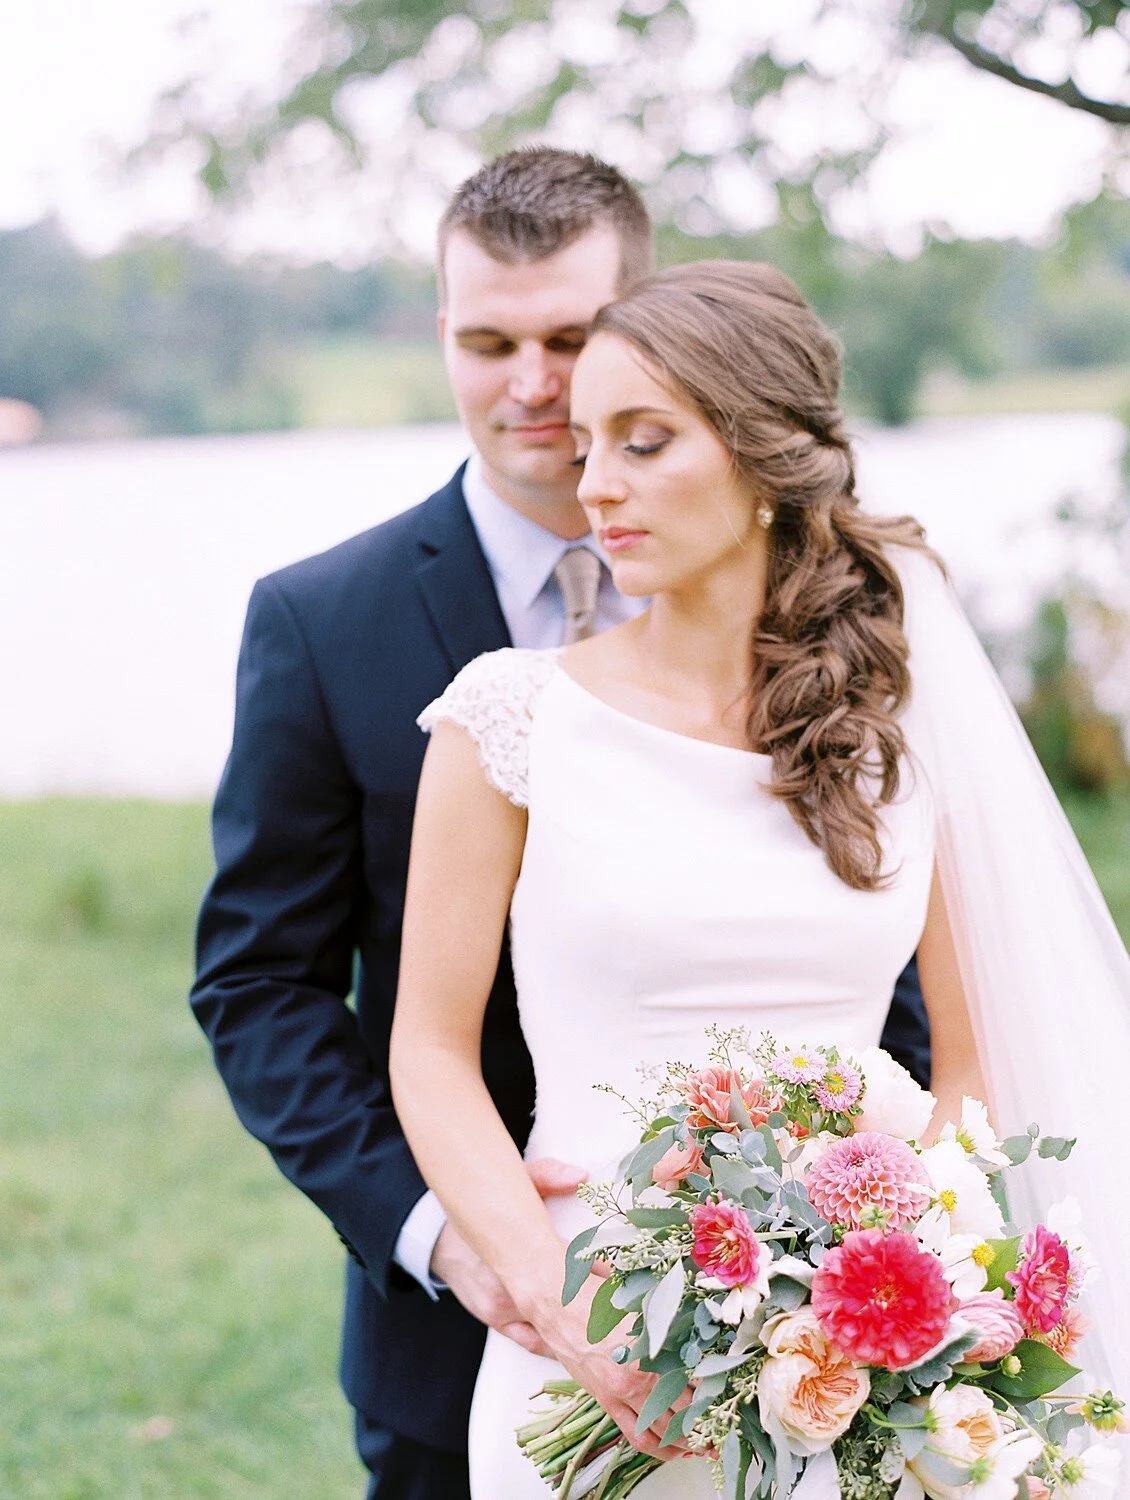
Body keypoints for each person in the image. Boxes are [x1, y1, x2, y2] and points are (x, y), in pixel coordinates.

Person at [191, 153, 928, 1500]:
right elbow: (259, 984)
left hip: (839, 1340)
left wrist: (884, 1245)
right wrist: (452, 1238)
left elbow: (896, 980)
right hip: (463, 1337)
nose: (533, 385)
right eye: (488, 342)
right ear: (443, 342)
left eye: (569, 340)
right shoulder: (322, 621)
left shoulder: (847, 658)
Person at [388, 259, 1130, 1497]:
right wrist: (551, 1294)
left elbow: (968, 1051)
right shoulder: (508, 717)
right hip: (592, 1334)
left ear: (761, 459)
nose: (594, 486)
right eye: (585, 446)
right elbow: (427, 1047)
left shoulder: (893, 713)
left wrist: (915, 1275)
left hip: (863, 1352)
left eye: (643, 441)